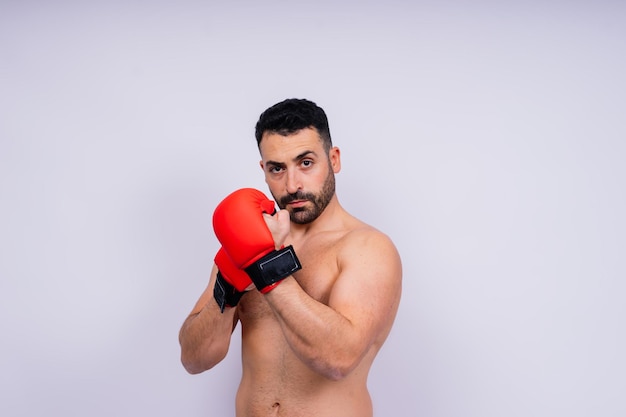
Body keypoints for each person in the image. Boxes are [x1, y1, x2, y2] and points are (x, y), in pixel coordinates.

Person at [178, 98, 402, 417]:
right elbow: (194, 358)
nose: (293, 185)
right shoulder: (245, 241)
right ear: (263, 170)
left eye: (306, 162)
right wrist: (228, 281)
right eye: (277, 168)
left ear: (334, 159)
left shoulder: (368, 248)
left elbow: (338, 359)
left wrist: (266, 266)